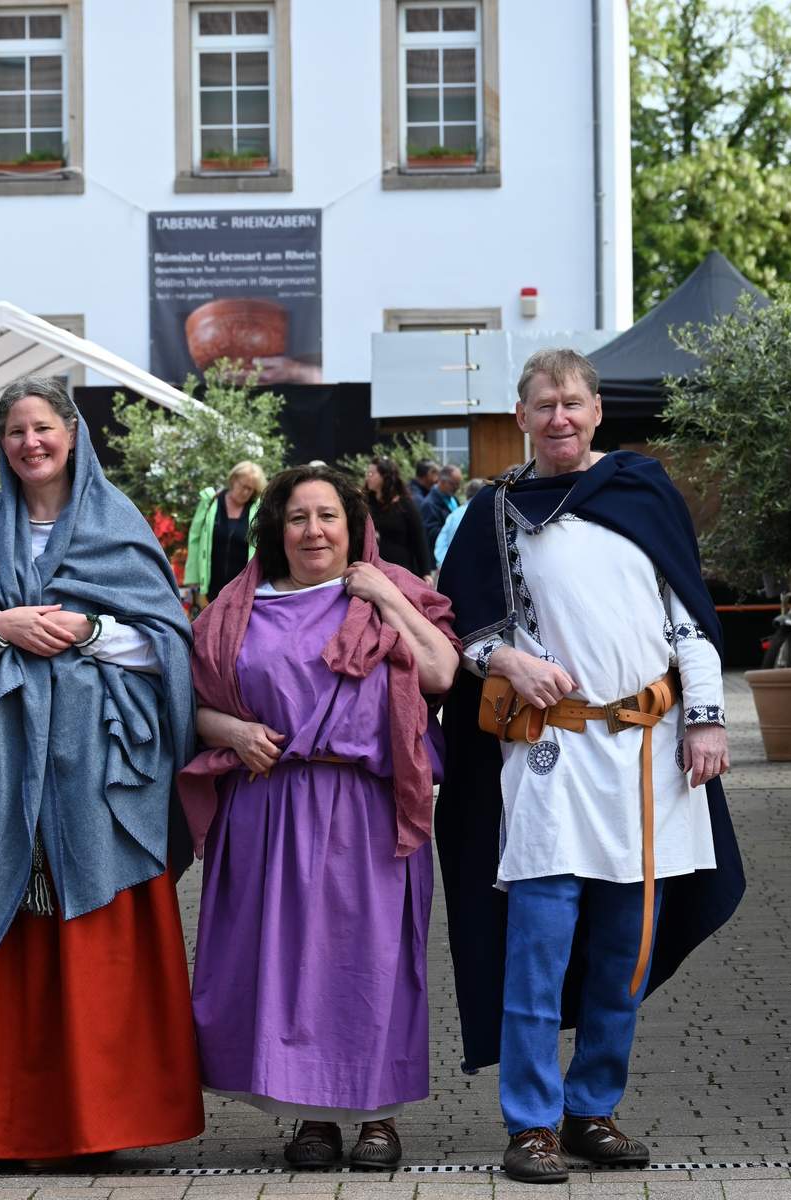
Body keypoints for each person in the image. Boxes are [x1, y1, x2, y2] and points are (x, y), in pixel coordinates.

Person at [435, 348, 745, 1185]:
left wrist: (707, 720)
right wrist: (505, 661)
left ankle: (592, 1109)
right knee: (537, 947)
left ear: (597, 409)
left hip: (649, 758)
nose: (559, 417)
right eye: (543, 405)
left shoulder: (643, 493)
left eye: (572, 402)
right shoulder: (493, 513)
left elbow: (690, 621)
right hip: (548, 757)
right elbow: (454, 629)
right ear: (522, 416)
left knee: (624, 953)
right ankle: (531, 1124)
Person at [0, 376, 204, 1163]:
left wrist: (90, 629)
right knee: (8, 948)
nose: (30, 443)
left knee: (98, 953)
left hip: (100, 783)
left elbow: (170, 646)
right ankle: (0, 1124)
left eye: (43, 428)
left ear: (72, 435)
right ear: (2, 445)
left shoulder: (119, 526)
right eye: (15, 432)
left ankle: (102, 1123)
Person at [180, 465, 459, 1169]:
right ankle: (310, 1118)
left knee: (369, 962)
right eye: (298, 517)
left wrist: (387, 597)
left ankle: (378, 1118)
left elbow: (441, 674)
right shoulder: (236, 610)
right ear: (275, 529)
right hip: (268, 807)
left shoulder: (384, 593)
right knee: (286, 966)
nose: (313, 530)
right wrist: (234, 733)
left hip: (365, 807)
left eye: (327, 516)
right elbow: (185, 710)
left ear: (352, 525)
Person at [186, 462, 267, 604]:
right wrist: (193, 579)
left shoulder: (257, 510)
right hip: (209, 588)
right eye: (244, 487)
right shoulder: (210, 502)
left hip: (242, 590)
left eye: (251, 490)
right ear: (234, 479)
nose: (246, 492)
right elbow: (195, 538)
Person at [363, 457, 433, 578]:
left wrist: (426, 572)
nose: (368, 477)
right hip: (373, 570)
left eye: (372, 473)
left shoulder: (405, 504)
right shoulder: (366, 502)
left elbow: (419, 539)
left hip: (401, 570)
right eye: (367, 473)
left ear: (384, 476)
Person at [434, 477, 486, 567]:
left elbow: (440, 543)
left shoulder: (454, 514)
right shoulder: (483, 514)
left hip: (450, 567)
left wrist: (445, 565)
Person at [419, 464, 462, 546]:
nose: (456, 488)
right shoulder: (429, 504)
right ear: (442, 481)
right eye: (453, 484)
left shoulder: (453, 499)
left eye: (458, 484)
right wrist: (453, 531)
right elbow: (430, 533)